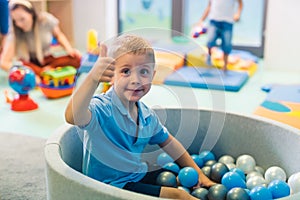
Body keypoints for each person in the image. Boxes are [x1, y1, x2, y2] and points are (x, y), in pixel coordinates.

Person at [65, 34, 215, 199]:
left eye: (143, 72)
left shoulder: (146, 115)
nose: (136, 80)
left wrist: (199, 173)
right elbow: (72, 116)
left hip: (135, 175)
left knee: (176, 177)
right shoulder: (102, 109)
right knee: (179, 196)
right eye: (125, 71)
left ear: (153, 75)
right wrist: (93, 78)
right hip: (109, 187)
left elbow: (170, 143)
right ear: (111, 75)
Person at [0, 0, 81, 77]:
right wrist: (21, 71)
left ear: (31, 13)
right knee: (25, 68)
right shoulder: (14, 32)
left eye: (22, 19)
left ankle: (48, 71)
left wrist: (69, 49)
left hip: (48, 60)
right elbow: (4, 62)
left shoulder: (46, 20)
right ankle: (44, 73)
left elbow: (59, 35)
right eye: (15, 21)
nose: (19, 24)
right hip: (30, 65)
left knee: (77, 58)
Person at [198, 0, 243, 71]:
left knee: (227, 44)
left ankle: (225, 65)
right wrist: (201, 20)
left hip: (228, 22)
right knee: (210, 40)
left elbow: (240, 4)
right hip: (214, 21)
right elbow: (209, 6)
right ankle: (209, 57)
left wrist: (238, 14)